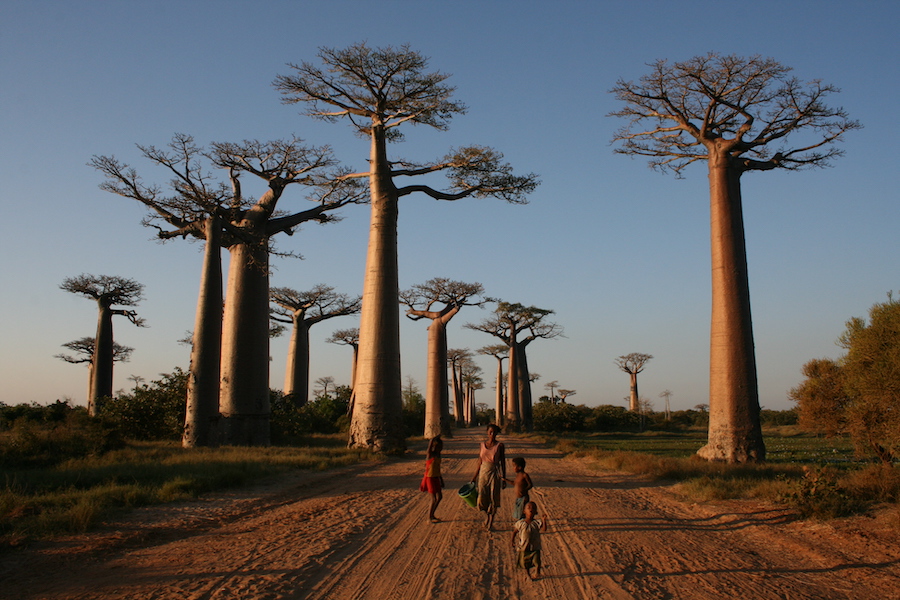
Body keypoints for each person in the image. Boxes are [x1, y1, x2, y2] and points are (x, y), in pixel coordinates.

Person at [470, 424, 506, 530]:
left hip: (494, 473)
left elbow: (503, 462)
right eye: (490, 432)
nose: (492, 434)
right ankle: (487, 516)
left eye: (494, 432)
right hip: (483, 474)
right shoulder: (482, 445)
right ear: (487, 432)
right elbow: (479, 462)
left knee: (493, 497)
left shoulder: (500, 446)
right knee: (482, 497)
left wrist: (504, 477)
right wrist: (474, 477)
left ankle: (491, 521)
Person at [511, 501, 547, 580]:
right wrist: (512, 540)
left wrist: (544, 520)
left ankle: (537, 572)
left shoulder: (537, 523)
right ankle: (528, 575)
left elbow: (544, 529)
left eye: (533, 508)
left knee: (537, 561)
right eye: (528, 508)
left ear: (536, 512)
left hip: (535, 547)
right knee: (525, 563)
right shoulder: (520, 523)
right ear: (524, 511)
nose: (531, 509)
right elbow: (515, 532)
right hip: (524, 546)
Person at [420, 435, 444, 523]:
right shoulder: (430, 455)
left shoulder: (438, 455)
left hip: (436, 477)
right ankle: (429, 518)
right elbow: (428, 449)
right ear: (434, 446)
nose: (440, 448)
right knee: (433, 498)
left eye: (441, 447)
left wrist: (441, 480)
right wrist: (432, 439)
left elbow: (438, 468)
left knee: (440, 497)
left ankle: (432, 515)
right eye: (438, 447)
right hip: (429, 478)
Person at [507, 456, 534, 521]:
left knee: (523, 513)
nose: (513, 468)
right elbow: (514, 483)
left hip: (523, 498)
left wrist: (524, 490)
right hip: (518, 498)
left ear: (519, 467)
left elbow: (530, 485)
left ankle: (524, 525)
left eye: (514, 466)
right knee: (518, 513)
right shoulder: (518, 475)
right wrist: (505, 480)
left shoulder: (524, 475)